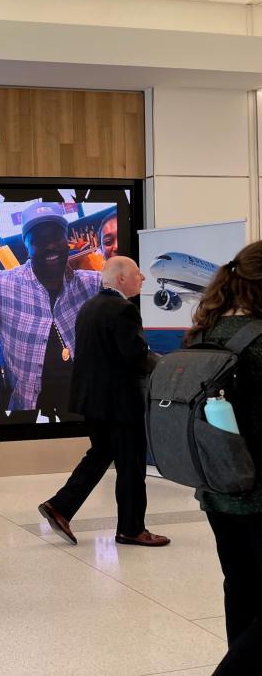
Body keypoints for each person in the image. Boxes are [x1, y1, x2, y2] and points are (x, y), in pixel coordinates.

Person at [38, 256, 170, 548]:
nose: (143, 279)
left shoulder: (90, 306)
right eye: (138, 273)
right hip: (119, 404)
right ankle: (132, 529)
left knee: (100, 455)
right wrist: (165, 364)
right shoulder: (123, 309)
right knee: (131, 466)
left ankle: (60, 506)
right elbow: (134, 356)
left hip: (92, 401)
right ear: (121, 278)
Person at [183, 242, 262, 674]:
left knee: (241, 588)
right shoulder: (259, 340)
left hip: (216, 485)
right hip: (258, 490)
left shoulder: (204, 333)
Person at [0, 201, 101, 420]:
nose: (51, 246)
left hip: (83, 405)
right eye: (40, 240)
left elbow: (130, 286)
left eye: (56, 236)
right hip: (28, 409)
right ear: (27, 246)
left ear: (67, 241)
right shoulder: (0, 285)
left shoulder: (91, 284)